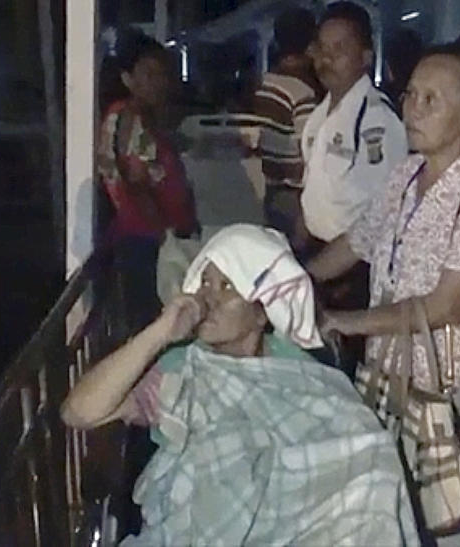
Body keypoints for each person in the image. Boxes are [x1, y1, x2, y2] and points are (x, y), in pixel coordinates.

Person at [61, 224, 420, 546]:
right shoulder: (181, 366)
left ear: (262, 312)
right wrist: (159, 334)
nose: (208, 299)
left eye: (227, 286)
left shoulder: (301, 372)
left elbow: (359, 451)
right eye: (204, 283)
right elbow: (77, 412)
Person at [308, 46, 460, 546]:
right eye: (411, 95)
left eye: (431, 100)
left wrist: (347, 321)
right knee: (381, 498)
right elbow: (358, 242)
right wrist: (292, 277)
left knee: (447, 518)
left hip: (439, 383)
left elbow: (447, 306)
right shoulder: (404, 174)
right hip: (382, 370)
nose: (414, 109)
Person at [299, 2, 408, 369]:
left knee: (346, 366)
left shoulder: (376, 118)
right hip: (319, 256)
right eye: (322, 49)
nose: (326, 60)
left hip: (356, 267)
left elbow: (386, 209)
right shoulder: (320, 115)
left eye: (340, 49)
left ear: (365, 56)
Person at [98, 27, 198, 335]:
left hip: (149, 240)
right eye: (149, 74)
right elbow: (136, 183)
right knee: (151, 328)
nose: (159, 82)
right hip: (145, 244)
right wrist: (165, 236)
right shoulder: (129, 118)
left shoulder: (144, 118)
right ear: (128, 79)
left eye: (162, 74)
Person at [245, 7, 322, 248]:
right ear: (311, 46)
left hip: (266, 188)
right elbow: (309, 150)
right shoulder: (304, 91)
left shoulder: (263, 83)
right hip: (294, 197)